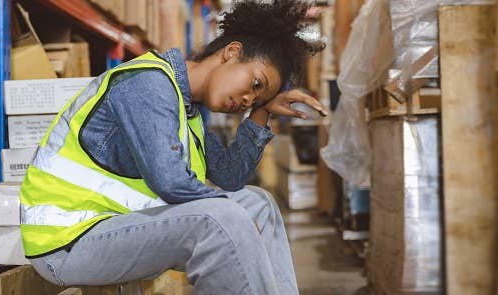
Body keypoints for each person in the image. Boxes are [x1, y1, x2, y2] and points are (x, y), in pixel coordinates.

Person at [20, 1, 325, 294]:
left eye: (256, 99)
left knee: (259, 204)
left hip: (112, 229)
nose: (247, 100)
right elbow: (171, 183)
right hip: (67, 241)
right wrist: (235, 220)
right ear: (232, 52)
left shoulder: (186, 109)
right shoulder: (148, 84)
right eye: (255, 84)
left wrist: (263, 112)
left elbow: (230, 178)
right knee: (224, 218)